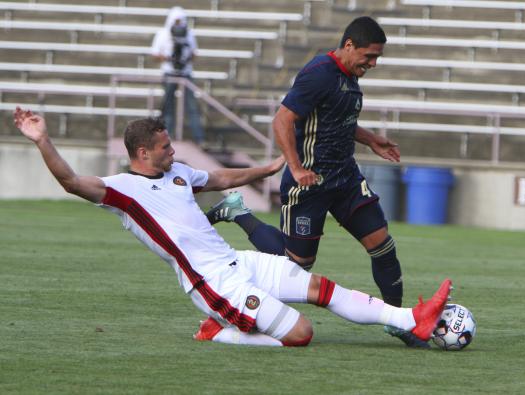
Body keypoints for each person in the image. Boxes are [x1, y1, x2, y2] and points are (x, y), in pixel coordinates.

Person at [13, 106, 451, 347]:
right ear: (142, 152)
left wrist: (272, 167)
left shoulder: (178, 173)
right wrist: (42, 139)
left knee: (321, 288)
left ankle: (412, 319)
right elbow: (71, 182)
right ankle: (219, 331)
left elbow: (221, 178)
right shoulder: (122, 191)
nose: (172, 151)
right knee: (301, 334)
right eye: (164, 147)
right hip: (209, 282)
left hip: (235, 260)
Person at [206, 17, 424, 346]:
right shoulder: (319, 72)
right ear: (349, 45)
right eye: (369, 56)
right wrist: (295, 166)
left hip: (345, 178)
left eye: (377, 57)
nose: (373, 64)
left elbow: (334, 120)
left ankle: (399, 321)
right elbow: (283, 118)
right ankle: (239, 213)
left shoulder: (350, 78)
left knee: (382, 246)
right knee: (297, 267)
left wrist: (369, 139)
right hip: (308, 183)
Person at [151, 6, 205, 144]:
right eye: (176, 21)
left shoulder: (189, 34)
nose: (178, 24)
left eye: (181, 21)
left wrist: (185, 58)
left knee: (192, 106)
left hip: (185, 74)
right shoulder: (163, 34)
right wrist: (169, 58)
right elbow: (155, 54)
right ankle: (167, 138)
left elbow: (194, 53)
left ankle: (199, 138)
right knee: (168, 107)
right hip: (169, 73)